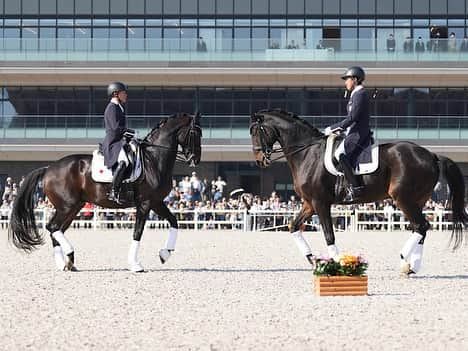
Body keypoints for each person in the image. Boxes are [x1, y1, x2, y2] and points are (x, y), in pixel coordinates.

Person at [323, 66, 371, 202]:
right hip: (353, 131)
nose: (345, 82)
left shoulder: (360, 94)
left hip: (358, 133)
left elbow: (353, 117)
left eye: (347, 79)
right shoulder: (355, 94)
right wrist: (340, 129)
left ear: (355, 80)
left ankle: (355, 189)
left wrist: (334, 127)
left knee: (339, 155)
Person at [102, 81, 134, 203]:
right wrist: (130, 132)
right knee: (124, 161)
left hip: (119, 141)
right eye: (124, 93)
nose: (126, 95)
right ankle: (113, 192)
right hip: (113, 142)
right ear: (116, 93)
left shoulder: (119, 107)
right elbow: (116, 129)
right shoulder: (112, 108)